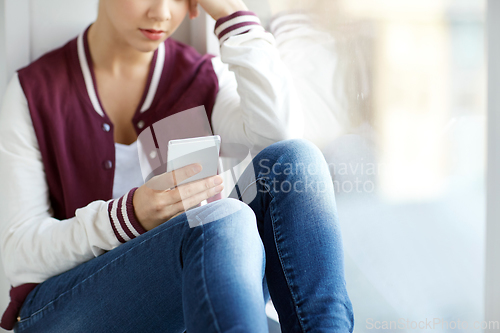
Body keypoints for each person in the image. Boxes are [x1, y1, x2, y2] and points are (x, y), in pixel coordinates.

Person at [0, 0, 354, 331]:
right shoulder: (34, 90)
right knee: (224, 220)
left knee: (296, 161)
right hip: (63, 309)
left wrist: (232, 14)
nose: (162, 13)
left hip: (179, 288)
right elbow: (19, 254)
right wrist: (127, 216)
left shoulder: (202, 79)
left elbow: (278, 136)